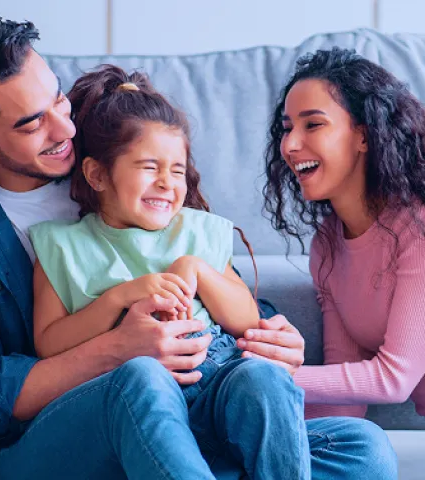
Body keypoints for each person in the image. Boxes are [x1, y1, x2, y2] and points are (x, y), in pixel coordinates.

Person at [0, 11, 396, 480]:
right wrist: (115, 349)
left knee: (363, 449)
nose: (65, 128)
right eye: (32, 123)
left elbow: (206, 280)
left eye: (57, 100)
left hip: (197, 408)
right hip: (56, 434)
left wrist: (268, 336)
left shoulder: (114, 149)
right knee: (142, 379)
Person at [29, 64, 310, 479]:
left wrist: (198, 270)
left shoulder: (197, 232)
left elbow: (248, 320)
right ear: (97, 174)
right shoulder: (62, 247)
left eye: (176, 169)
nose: (167, 182)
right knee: (144, 377)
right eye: (148, 166)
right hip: (138, 402)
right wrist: (117, 299)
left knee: (359, 443)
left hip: (219, 387)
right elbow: (49, 343)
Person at [257, 47, 425, 478]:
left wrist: (259, 378)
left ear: (364, 135)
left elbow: (394, 380)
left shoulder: (423, 224)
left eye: (313, 124)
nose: (291, 144)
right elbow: (344, 397)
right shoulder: (328, 246)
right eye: (286, 128)